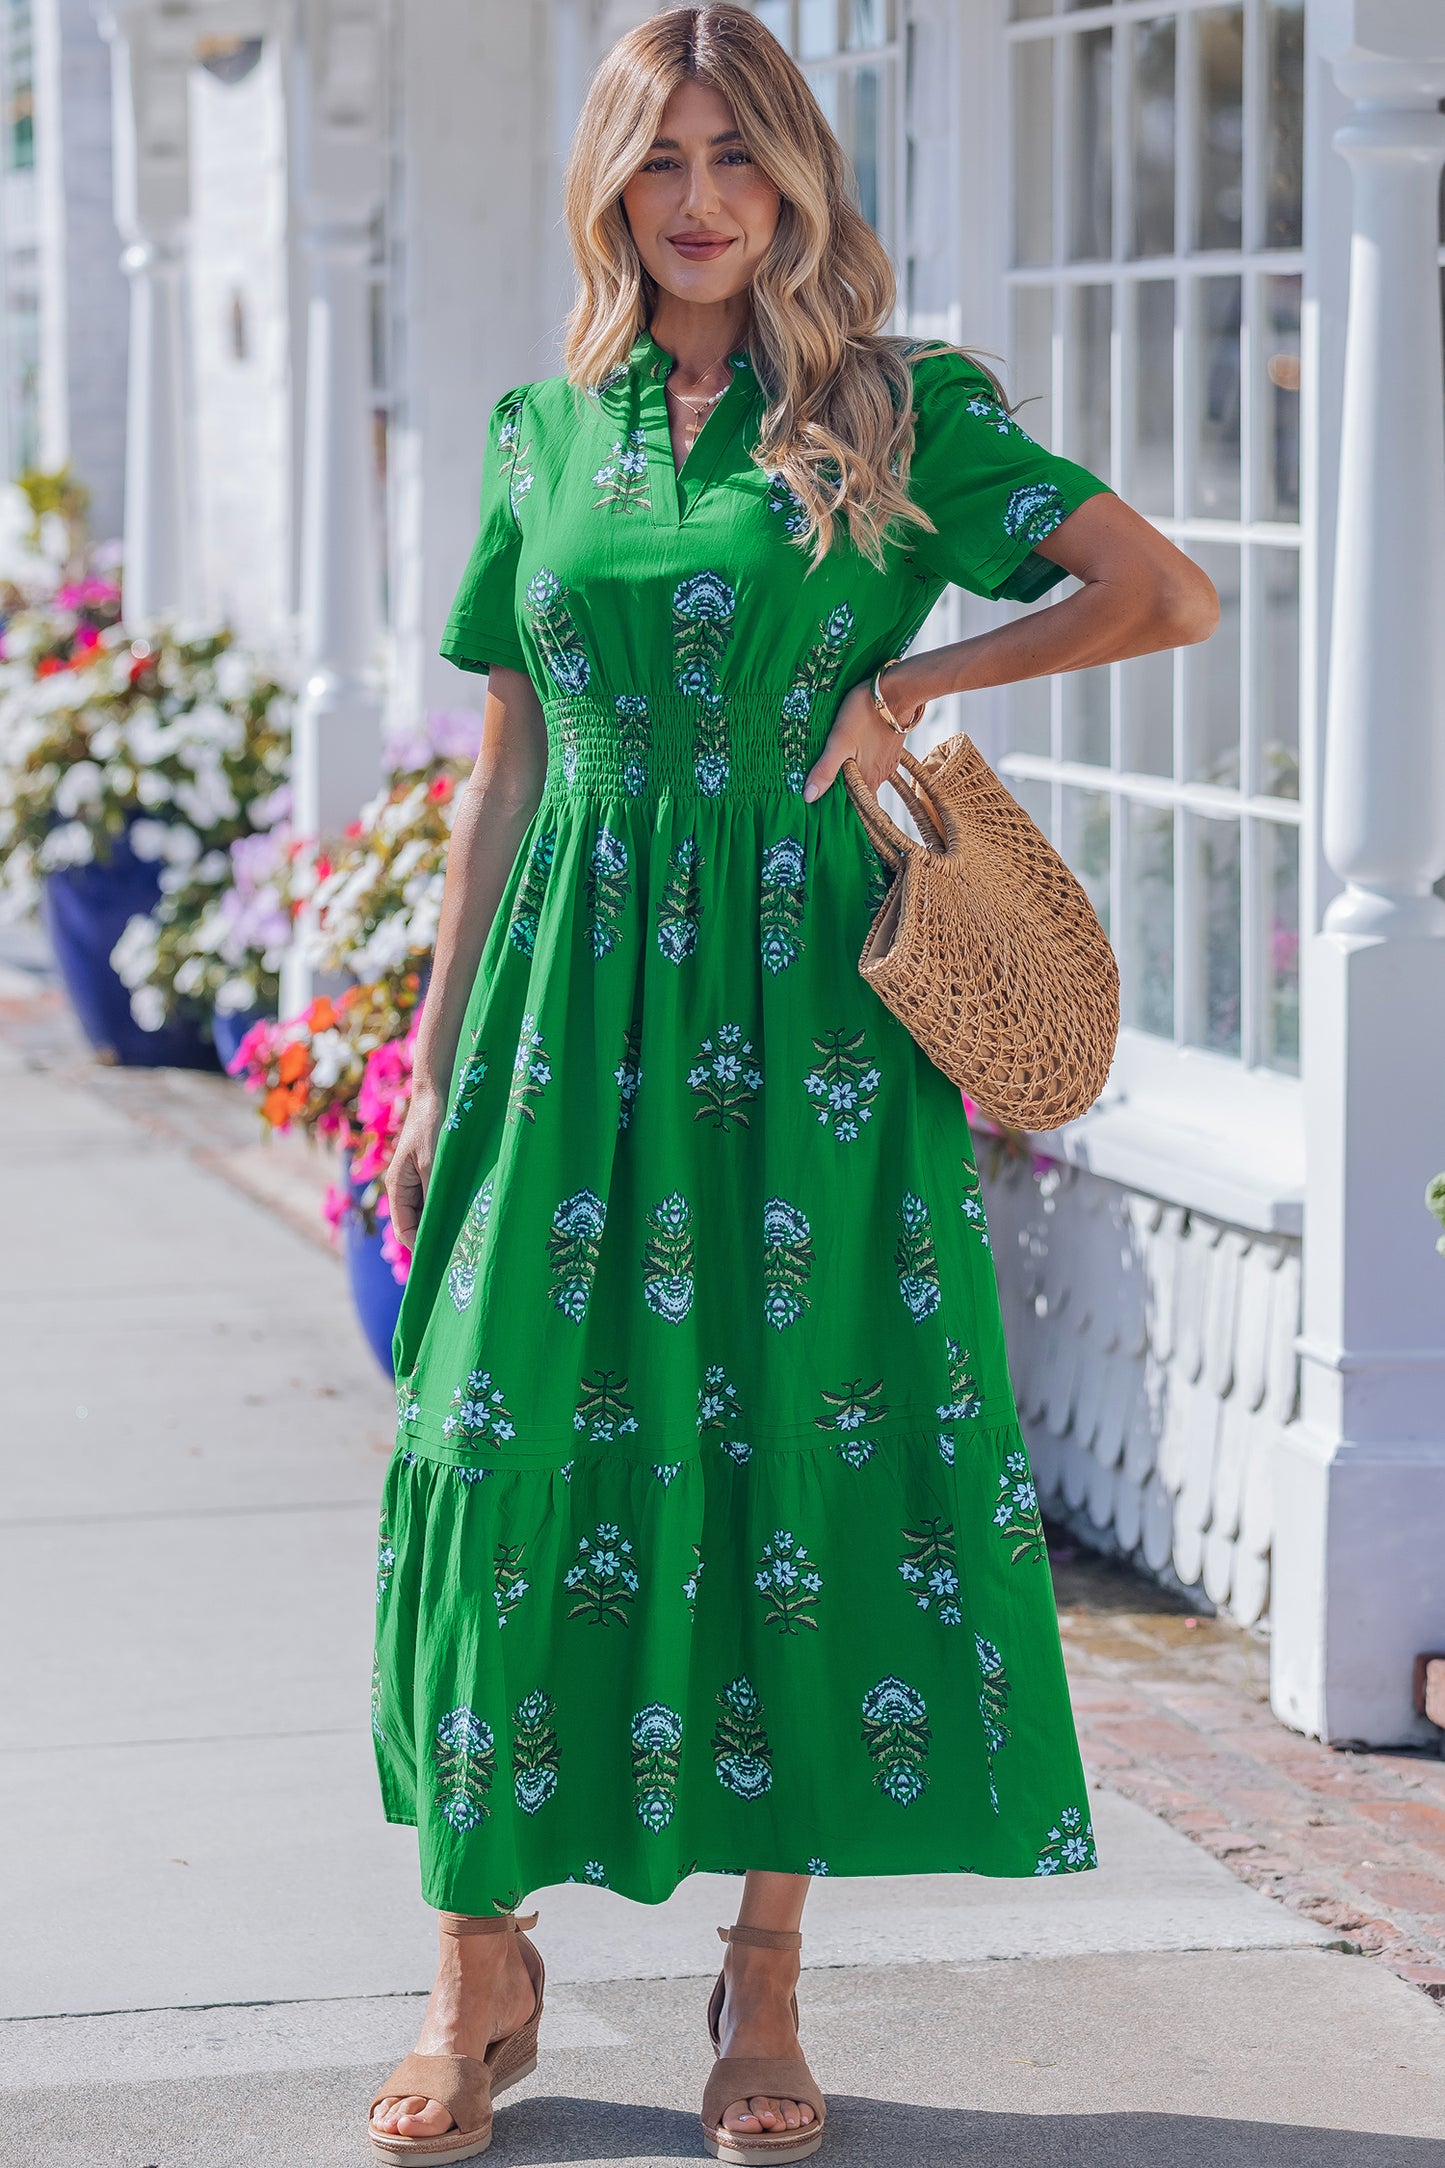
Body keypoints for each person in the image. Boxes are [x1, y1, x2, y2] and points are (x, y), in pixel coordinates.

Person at [366, 7, 1217, 2161]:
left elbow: (1160, 593)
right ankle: (476, 1961)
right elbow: (506, 769)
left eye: (738, 156)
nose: (700, 200)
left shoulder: (895, 412)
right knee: (499, 1439)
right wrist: (432, 1054)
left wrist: (913, 678)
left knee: (786, 1450)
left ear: (799, 178)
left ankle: (762, 1977)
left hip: (807, 1029)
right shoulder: (539, 431)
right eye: (661, 159)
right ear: (609, 184)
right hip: (570, 1012)